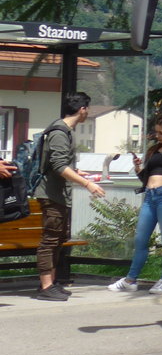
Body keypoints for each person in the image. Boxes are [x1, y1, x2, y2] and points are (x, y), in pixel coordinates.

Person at [109, 112, 162, 296]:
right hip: (150, 195)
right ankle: (131, 279)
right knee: (141, 238)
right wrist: (138, 168)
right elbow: (145, 178)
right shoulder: (154, 151)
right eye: (156, 133)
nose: (158, 136)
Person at [34, 92, 105, 302]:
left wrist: (77, 173)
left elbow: (60, 164)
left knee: (57, 239)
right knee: (50, 240)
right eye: (87, 109)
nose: (87, 113)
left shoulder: (66, 130)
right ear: (82, 109)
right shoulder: (59, 132)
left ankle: (51, 283)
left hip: (59, 195)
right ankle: (46, 286)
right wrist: (87, 183)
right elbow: (58, 165)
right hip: (51, 194)